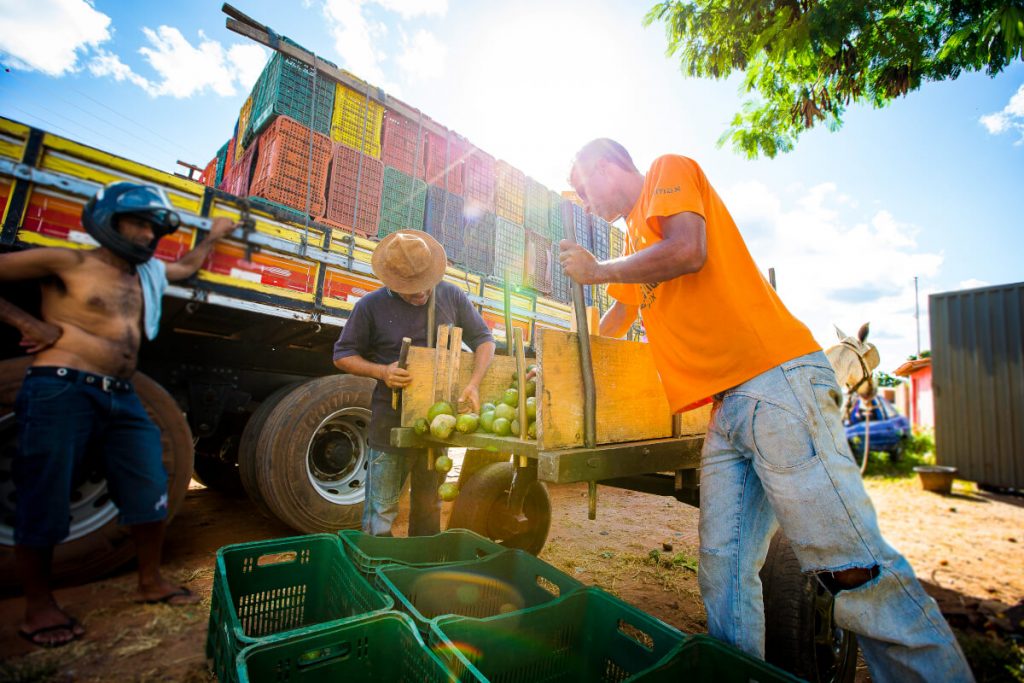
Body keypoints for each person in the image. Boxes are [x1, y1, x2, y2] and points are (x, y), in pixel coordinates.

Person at [560, 139, 973, 682]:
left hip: (775, 382)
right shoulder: (636, 239)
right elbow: (617, 316)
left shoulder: (668, 170)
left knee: (850, 567)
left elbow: (690, 250)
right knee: (723, 569)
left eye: (585, 191)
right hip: (726, 411)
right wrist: (567, 365)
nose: (587, 205)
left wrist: (594, 270)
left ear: (604, 165)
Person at [0, 181, 238, 648]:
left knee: (151, 486)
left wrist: (214, 236)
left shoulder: (145, 273)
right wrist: (25, 322)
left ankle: (150, 581)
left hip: (122, 393)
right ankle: (38, 606)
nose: (148, 237)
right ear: (107, 219)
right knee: (43, 493)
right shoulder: (68, 261)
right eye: (139, 224)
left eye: (153, 229)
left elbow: (186, 266)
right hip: (62, 386)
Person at [333, 230, 495, 538]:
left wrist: (473, 383)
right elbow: (342, 355)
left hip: (438, 425)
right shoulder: (370, 306)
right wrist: (383, 372)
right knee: (381, 509)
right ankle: (376, 571)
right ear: (392, 282)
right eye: (411, 290)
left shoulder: (452, 296)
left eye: (424, 285)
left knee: (429, 504)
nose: (420, 294)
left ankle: (421, 569)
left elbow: (484, 340)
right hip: (390, 422)